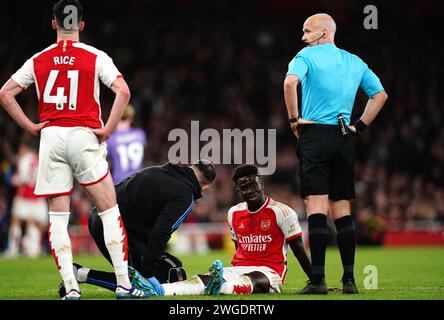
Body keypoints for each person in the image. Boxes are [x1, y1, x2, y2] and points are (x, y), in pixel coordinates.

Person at [0, 0, 147, 300]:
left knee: (58, 217)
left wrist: (29, 126)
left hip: (52, 136)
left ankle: (71, 288)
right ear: (81, 25)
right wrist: (107, 128)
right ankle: (123, 284)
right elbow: (123, 91)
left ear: (54, 24)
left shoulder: (38, 59)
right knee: (109, 210)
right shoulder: (95, 56)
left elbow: (5, 94)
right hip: (84, 134)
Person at [283, 13, 388, 294]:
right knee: (342, 210)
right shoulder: (355, 62)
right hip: (343, 137)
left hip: (315, 134)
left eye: (307, 31)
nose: (303, 37)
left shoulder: (306, 56)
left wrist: (294, 120)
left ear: (324, 32)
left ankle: (317, 281)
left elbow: (290, 83)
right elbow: (380, 95)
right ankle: (349, 281)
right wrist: (359, 126)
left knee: (316, 207)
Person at [127, 164, 312, 297]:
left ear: (261, 183)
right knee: (202, 279)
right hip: (239, 268)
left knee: (253, 280)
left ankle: (223, 287)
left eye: (253, 184)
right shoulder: (234, 213)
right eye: (244, 187)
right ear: (238, 191)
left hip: (270, 271)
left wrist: (316, 279)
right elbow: (239, 248)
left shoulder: (283, 212)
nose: (250, 190)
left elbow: (298, 249)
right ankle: (159, 290)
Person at [58, 160, 216, 298]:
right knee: (142, 282)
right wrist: (147, 272)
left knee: (171, 266)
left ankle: (81, 274)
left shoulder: (159, 170)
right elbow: (161, 231)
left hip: (100, 217)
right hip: (119, 228)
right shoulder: (185, 195)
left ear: (191, 166)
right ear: (206, 186)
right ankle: (80, 273)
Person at [5, 139, 48, 258]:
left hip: (23, 197)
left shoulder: (24, 160)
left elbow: (20, 178)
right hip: (38, 198)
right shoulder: (41, 160)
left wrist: (11, 180)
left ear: (25, 148)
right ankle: (33, 249)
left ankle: (13, 250)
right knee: (37, 224)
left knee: (16, 221)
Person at [107, 104, 147, 184]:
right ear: (131, 118)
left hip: (119, 183)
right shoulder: (140, 134)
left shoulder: (110, 139)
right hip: (138, 182)